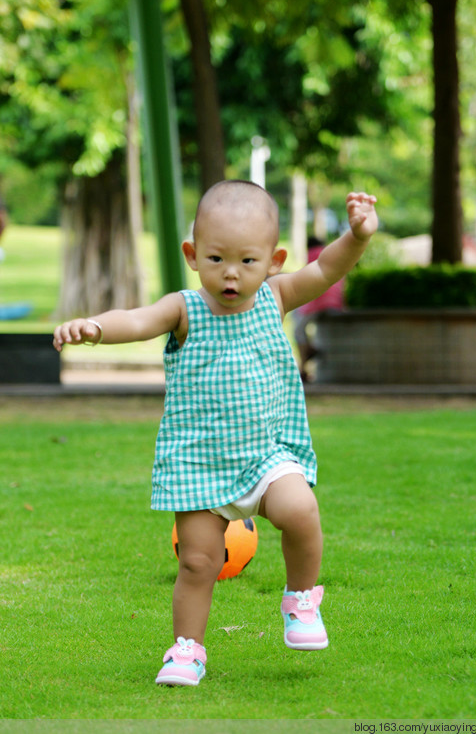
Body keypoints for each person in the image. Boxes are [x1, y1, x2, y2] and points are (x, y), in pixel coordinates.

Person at [53, 180, 378, 687]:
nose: (231, 273)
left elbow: (326, 269)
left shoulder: (277, 296)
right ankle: (187, 650)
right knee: (199, 562)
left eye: (248, 261)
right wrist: (95, 327)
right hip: (199, 464)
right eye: (216, 258)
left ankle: (300, 600)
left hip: (266, 456)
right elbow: (136, 320)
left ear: (273, 260)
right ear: (192, 254)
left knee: (300, 510)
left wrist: (357, 236)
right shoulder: (184, 309)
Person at [294, 236, 345, 382]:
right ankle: (306, 359)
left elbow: (308, 281)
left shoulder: (312, 255)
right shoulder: (333, 255)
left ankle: (305, 361)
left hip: (318, 302)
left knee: (298, 329)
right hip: (335, 303)